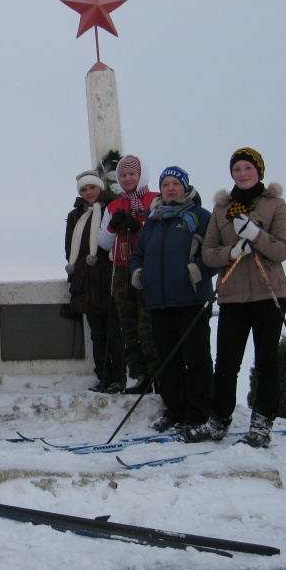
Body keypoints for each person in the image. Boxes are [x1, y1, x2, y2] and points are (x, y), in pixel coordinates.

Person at [201, 148, 286, 447]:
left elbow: (281, 250)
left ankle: (262, 424)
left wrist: (255, 235)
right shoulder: (220, 209)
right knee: (226, 363)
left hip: (270, 293)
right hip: (233, 295)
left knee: (266, 361)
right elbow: (208, 253)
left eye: (247, 168)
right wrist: (231, 252)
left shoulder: (275, 204)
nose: (241, 173)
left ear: (258, 171)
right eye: (236, 169)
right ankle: (218, 421)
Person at [129, 166, 217, 437]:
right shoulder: (153, 220)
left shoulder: (201, 217)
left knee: (197, 358)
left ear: (185, 187)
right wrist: (137, 273)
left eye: (175, 184)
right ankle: (175, 410)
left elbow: (213, 255)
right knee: (168, 360)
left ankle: (197, 413)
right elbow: (138, 254)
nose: (169, 188)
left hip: (191, 299)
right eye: (165, 184)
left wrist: (198, 271)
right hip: (159, 301)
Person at [98, 155, 160, 394]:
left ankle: (158, 373)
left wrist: (139, 226)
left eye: (132, 174)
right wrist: (114, 225)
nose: (127, 179)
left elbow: (159, 231)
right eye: (123, 175)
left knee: (148, 325)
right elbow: (103, 243)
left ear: (141, 175)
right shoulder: (114, 205)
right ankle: (139, 374)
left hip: (147, 269)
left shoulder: (155, 199)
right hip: (122, 269)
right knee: (129, 325)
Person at [65, 169, 123, 393]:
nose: (88, 192)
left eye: (92, 187)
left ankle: (119, 376)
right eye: (84, 189)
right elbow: (70, 246)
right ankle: (104, 377)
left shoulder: (112, 208)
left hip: (106, 278)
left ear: (100, 187)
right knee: (97, 334)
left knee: (113, 331)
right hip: (85, 280)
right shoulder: (75, 215)